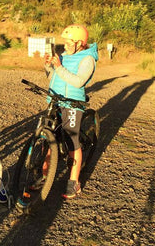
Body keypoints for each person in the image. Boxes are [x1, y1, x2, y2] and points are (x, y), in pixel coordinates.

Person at [44, 24, 98, 199]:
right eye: (65, 42)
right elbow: (54, 78)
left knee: (71, 140)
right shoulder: (65, 56)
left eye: (69, 42)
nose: (65, 45)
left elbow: (78, 82)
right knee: (50, 136)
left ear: (80, 43)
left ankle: (74, 183)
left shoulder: (87, 59)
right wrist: (49, 67)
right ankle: (43, 177)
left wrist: (58, 67)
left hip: (73, 103)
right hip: (56, 100)